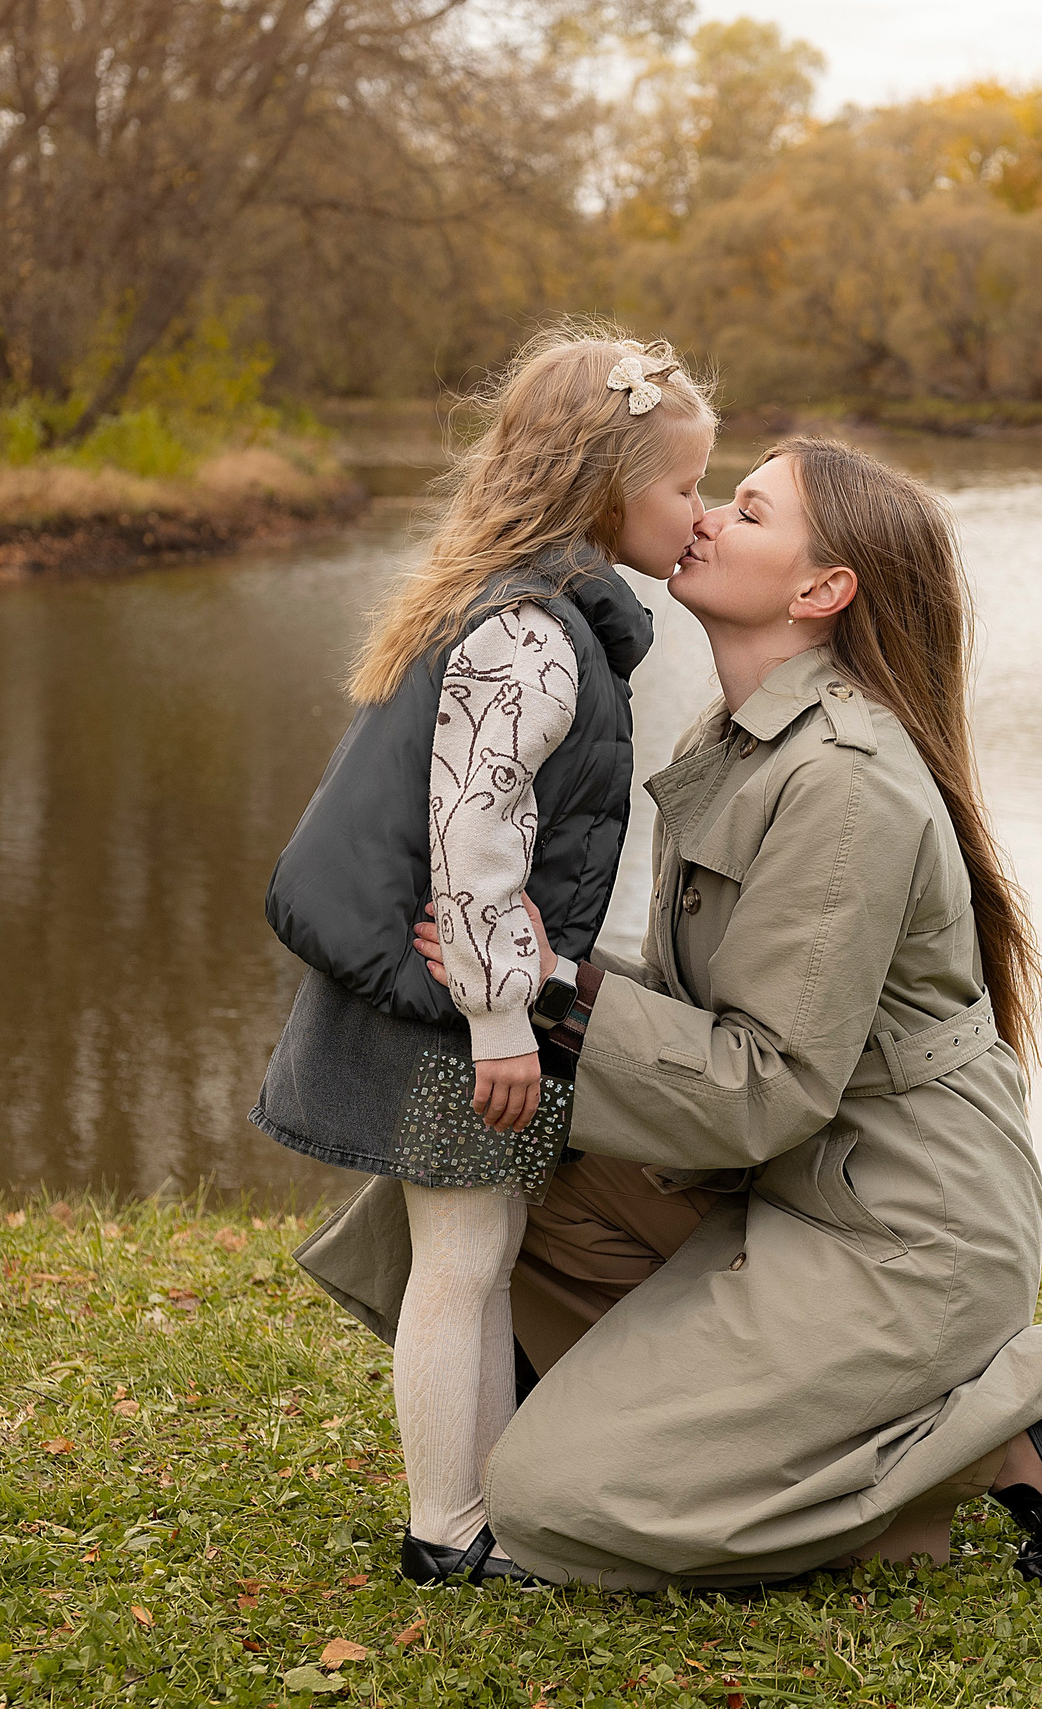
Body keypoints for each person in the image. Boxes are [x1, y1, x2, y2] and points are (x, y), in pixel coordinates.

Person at [300, 436, 1042, 1589]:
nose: (704, 519)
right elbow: (709, 1006)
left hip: (892, 1231)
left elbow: (764, 1085)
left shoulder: (842, 779)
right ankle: (704, 1425)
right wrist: (524, 977)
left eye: (746, 510)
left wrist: (553, 986)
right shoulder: (733, 743)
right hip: (783, 1181)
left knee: (548, 1498)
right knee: (481, 1153)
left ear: (818, 590)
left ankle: (988, 1434)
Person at [250, 323, 714, 1586]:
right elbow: (477, 836)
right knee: (460, 1260)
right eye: (682, 486)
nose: (699, 512)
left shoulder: (526, 608)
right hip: (452, 1006)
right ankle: (446, 1527)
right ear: (603, 485)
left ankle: (480, 1505)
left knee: (482, 1249)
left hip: (451, 987)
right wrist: (503, 1015)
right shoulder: (533, 634)